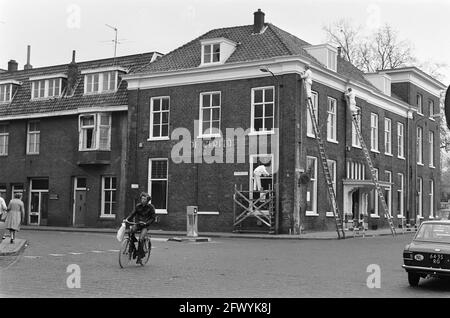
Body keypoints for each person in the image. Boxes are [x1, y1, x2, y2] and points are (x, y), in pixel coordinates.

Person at [124, 192, 156, 264]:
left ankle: (139, 257)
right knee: (130, 232)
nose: (142, 200)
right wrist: (127, 219)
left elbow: (153, 218)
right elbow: (133, 213)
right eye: (142, 198)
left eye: (144, 199)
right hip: (138, 224)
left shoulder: (151, 207)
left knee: (141, 239)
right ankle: (133, 249)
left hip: (145, 226)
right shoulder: (138, 206)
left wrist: (146, 223)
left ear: (147, 200)